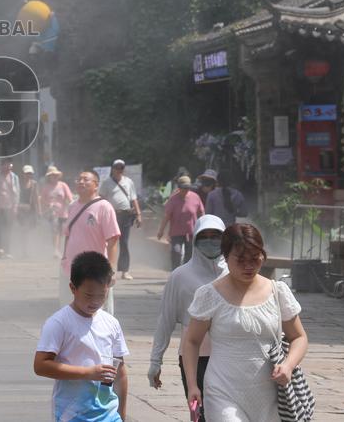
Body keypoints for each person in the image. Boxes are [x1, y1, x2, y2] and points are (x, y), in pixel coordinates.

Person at [182, 224, 309, 422]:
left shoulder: (278, 291)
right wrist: (192, 385)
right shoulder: (209, 295)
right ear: (225, 257)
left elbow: (299, 337)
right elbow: (191, 341)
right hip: (222, 390)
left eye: (254, 258)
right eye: (240, 260)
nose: (248, 266)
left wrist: (288, 365)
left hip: (270, 395)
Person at [148, 215, 227, 421]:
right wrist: (156, 360)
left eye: (216, 236)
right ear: (194, 240)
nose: (210, 242)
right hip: (194, 358)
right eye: (204, 237)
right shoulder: (180, 276)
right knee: (201, 414)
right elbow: (165, 320)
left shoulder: (233, 273)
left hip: (229, 356)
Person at [34, 251, 129, 422]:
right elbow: (40, 365)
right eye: (88, 295)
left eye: (101, 295)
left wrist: (121, 415)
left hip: (109, 415)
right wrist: (87, 373)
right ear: (73, 288)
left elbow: (120, 372)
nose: (95, 301)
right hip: (72, 415)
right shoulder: (59, 323)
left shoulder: (111, 324)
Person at [60, 170, 119, 314]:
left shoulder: (104, 207)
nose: (81, 182)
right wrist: (64, 257)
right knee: (69, 310)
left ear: (96, 185)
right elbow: (68, 235)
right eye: (79, 179)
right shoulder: (73, 206)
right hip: (71, 270)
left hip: (96, 271)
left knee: (99, 312)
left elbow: (113, 239)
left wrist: (111, 270)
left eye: (86, 179)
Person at [99, 160, 142, 280]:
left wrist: (138, 214)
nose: (119, 170)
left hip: (126, 215)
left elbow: (134, 199)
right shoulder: (106, 183)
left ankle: (124, 271)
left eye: (121, 168)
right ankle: (107, 269)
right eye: (117, 168)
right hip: (111, 215)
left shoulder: (128, 182)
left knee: (124, 243)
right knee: (109, 243)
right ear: (112, 169)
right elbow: (101, 199)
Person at [157, 176, 205, 270]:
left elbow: (202, 212)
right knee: (176, 252)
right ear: (179, 188)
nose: (186, 190)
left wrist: (204, 228)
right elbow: (167, 216)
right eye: (184, 188)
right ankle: (175, 273)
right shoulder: (173, 199)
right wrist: (161, 231)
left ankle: (186, 275)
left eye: (187, 188)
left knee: (189, 255)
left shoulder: (195, 197)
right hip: (176, 233)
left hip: (191, 232)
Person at [41, 166, 74, 259]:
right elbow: (42, 199)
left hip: (63, 213)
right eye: (52, 175)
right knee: (55, 231)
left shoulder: (63, 185)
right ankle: (55, 250)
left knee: (62, 232)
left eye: (55, 175)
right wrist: (48, 204)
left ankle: (60, 249)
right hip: (52, 213)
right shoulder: (46, 187)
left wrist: (71, 205)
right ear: (49, 177)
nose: (54, 177)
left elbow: (69, 197)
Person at [18, 165, 39, 248]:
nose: (28, 175)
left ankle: (29, 247)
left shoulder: (34, 184)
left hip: (31, 209)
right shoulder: (18, 183)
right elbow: (15, 196)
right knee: (23, 229)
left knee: (30, 228)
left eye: (30, 173)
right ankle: (24, 248)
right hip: (20, 209)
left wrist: (39, 210)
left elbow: (36, 197)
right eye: (27, 173)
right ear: (23, 174)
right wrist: (18, 206)